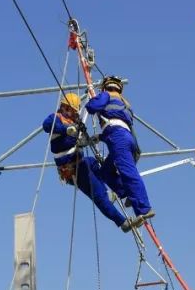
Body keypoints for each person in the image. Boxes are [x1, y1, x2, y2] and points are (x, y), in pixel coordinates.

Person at [41, 93, 129, 231]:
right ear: (64, 107)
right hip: (73, 169)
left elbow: (77, 140)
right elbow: (47, 125)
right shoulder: (56, 118)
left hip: (82, 162)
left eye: (74, 112)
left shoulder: (74, 123)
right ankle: (122, 222)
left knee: (97, 165)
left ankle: (121, 191)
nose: (72, 114)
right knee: (99, 195)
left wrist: (89, 140)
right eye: (70, 110)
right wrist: (66, 130)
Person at [85, 76, 154, 231]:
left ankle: (144, 208)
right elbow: (117, 122)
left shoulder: (106, 95)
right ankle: (126, 193)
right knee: (106, 172)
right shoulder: (124, 103)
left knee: (127, 171)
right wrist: (100, 137)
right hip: (124, 136)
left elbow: (92, 107)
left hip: (118, 138)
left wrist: (92, 98)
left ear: (105, 87)